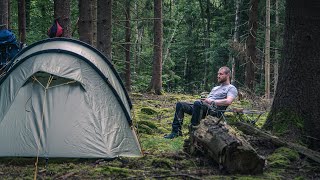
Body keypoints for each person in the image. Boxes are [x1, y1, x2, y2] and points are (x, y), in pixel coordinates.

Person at [164, 66, 238, 139]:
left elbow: (228, 101)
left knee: (198, 103)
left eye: (221, 74)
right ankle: (176, 132)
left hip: (214, 110)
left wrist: (211, 101)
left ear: (227, 75)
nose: (218, 76)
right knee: (180, 104)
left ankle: (193, 131)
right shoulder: (215, 88)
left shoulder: (231, 88)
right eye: (218, 74)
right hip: (203, 107)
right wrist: (204, 100)